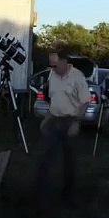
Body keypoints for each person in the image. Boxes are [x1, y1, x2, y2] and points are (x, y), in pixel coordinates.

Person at [35, 51, 90, 209]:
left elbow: (85, 102)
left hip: (69, 121)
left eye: (55, 64)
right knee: (44, 158)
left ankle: (69, 198)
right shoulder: (52, 75)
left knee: (69, 161)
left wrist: (77, 122)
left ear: (65, 61)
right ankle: (41, 199)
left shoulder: (77, 77)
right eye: (51, 65)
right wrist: (47, 117)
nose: (53, 68)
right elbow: (52, 98)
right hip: (54, 121)